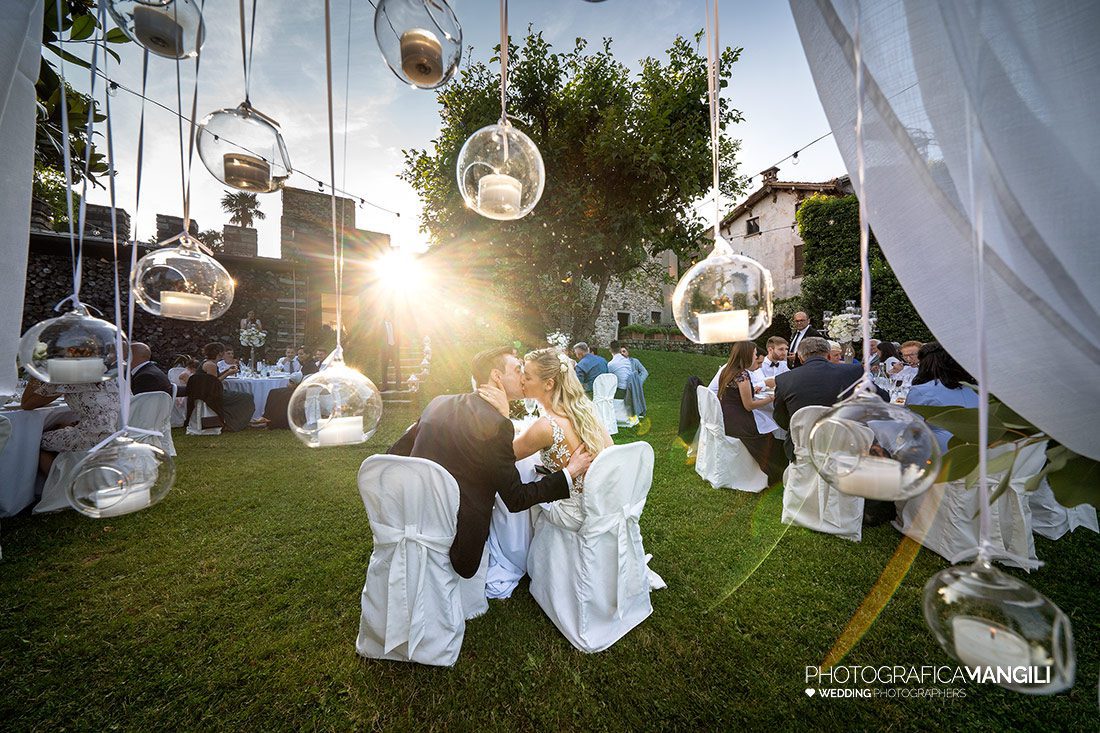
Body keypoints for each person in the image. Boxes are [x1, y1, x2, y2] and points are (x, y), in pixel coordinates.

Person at [388, 346, 592, 578]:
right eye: (517, 370)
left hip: (412, 512)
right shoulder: (497, 425)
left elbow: (395, 452)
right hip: (457, 532)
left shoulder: (439, 402)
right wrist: (568, 473)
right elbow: (516, 499)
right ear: (496, 376)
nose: (523, 377)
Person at [511, 348, 613, 530]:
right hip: (598, 505)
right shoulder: (585, 410)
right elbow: (611, 450)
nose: (522, 380)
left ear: (548, 384)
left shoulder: (545, 426)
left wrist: (501, 409)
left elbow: (502, 455)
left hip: (569, 513)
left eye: (528, 377)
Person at [715, 341, 787, 484]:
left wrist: (752, 390)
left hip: (728, 417)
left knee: (768, 428)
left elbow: (734, 393)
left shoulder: (728, 370)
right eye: (754, 354)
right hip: (739, 422)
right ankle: (775, 475)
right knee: (770, 437)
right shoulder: (742, 374)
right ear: (747, 355)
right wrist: (771, 398)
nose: (756, 357)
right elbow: (749, 406)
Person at [21, 377, 120, 476]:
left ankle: (64, 480)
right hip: (116, 433)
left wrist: (34, 374)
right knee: (60, 427)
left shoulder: (68, 376)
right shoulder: (111, 376)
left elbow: (26, 404)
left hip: (94, 436)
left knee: (35, 441)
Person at [906, 341, 978, 452]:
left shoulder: (921, 391)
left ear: (925, 365)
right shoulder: (977, 389)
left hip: (942, 451)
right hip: (981, 448)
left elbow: (911, 429)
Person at [201, 342, 260, 430]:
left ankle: (234, 422)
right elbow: (215, 382)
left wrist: (227, 370)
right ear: (219, 353)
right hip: (212, 395)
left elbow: (214, 378)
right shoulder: (211, 365)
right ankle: (236, 424)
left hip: (209, 393)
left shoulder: (209, 363)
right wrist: (228, 373)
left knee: (241, 396)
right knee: (247, 397)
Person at [619, 345, 649, 418]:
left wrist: (638, 382)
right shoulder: (618, 363)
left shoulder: (634, 361)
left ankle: (635, 413)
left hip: (633, 385)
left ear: (628, 352)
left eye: (624, 351)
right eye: (620, 352)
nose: (622, 353)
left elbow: (644, 372)